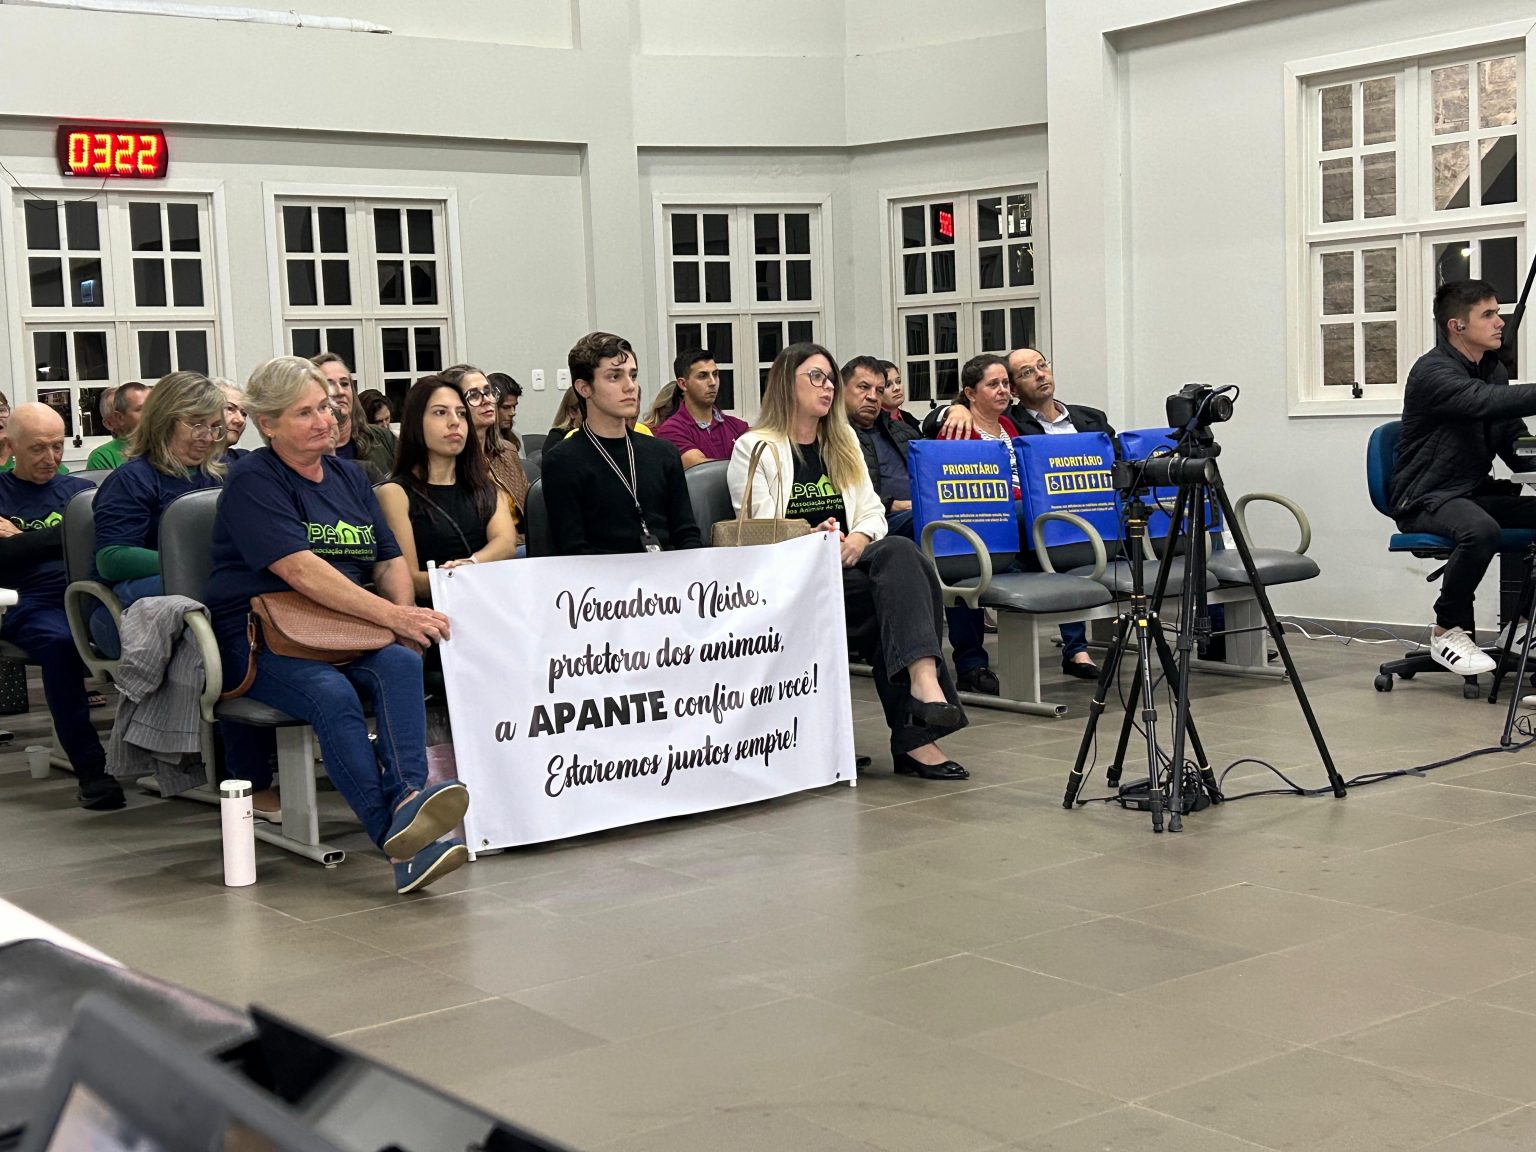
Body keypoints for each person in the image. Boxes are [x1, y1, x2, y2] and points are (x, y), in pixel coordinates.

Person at [204, 356, 470, 893]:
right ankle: (400, 842)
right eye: (305, 413)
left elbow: (389, 561)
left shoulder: (351, 476)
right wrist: (393, 615)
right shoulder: (253, 480)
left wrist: (402, 627)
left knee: (400, 664)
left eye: (325, 407)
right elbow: (300, 571)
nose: (325, 420)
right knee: (332, 695)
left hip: (346, 626)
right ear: (267, 424)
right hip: (262, 636)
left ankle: (408, 800)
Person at [728, 342, 970, 781]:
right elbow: (760, 525)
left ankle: (923, 685)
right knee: (895, 598)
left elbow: (873, 512)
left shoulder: (842, 444)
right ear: (786, 384)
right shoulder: (755, 447)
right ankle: (917, 733)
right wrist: (811, 536)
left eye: (829, 380)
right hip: (797, 576)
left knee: (900, 555)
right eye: (815, 377)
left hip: (851, 566)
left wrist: (858, 537)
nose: (827, 388)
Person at [927, 347, 1108, 680]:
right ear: (970, 393)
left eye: (1005, 384)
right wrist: (955, 408)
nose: (1003, 391)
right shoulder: (957, 429)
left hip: (1025, 520)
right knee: (1046, 530)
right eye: (993, 385)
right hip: (981, 520)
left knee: (1060, 533)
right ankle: (972, 664)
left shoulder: (1010, 425)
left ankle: (1076, 648)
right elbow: (950, 488)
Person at [1394, 279, 1536, 676]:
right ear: (1457, 326)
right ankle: (1447, 629)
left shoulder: (1493, 370)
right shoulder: (1432, 372)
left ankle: (1522, 628)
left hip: (1472, 492)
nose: (1500, 322)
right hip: (1425, 497)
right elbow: (1482, 402)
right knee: (1480, 530)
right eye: (1488, 315)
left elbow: (1511, 436)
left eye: (1498, 313)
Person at [0, 403, 123, 809]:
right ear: (10, 446)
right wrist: (63, 536)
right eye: (37, 448)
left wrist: (22, 540)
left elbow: (104, 541)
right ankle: (91, 769)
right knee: (60, 644)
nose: (51, 458)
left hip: (90, 594)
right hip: (29, 603)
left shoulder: (79, 492)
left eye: (57, 446)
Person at [89, 372, 227, 659]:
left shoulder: (221, 475)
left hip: (195, 590)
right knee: (216, 587)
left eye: (215, 427)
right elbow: (111, 559)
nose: (207, 437)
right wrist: (196, 565)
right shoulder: (132, 479)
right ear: (164, 421)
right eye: (197, 425)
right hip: (124, 608)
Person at [541, 331, 702, 555]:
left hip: (669, 571)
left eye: (633, 375)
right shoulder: (563, 461)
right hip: (602, 574)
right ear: (584, 388)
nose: (630, 386)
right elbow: (574, 550)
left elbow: (687, 534)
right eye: (614, 377)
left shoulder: (663, 453)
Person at [376, 374, 518, 605]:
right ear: (416, 422)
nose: (455, 422)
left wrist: (470, 564)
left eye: (461, 414)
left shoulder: (486, 488)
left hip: (488, 607)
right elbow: (410, 580)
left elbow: (506, 543)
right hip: (433, 613)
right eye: (440, 412)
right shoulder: (395, 494)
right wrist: (456, 578)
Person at [842, 355, 919, 539]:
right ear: (841, 389)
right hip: (876, 521)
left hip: (917, 511)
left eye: (879, 391)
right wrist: (891, 504)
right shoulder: (835, 437)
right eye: (863, 387)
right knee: (927, 522)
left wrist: (955, 409)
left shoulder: (903, 430)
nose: (872, 397)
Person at [443, 364, 529, 525]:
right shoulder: (445, 462)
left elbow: (530, 515)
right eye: (474, 395)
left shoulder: (507, 451)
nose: (487, 400)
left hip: (523, 538)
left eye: (488, 392)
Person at [655, 349, 749, 468]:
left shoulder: (736, 426)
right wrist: (746, 467)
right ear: (683, 384)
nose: (713, 382)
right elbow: (704, 470)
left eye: (715, 374)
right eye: (703, 376)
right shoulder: (671, 430)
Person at [311, 353, 398, 482]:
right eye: (329, 385)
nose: (340, 391)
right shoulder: (308, 452)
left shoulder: (381, 437)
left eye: (345, 383)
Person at [85, 381, 148, 471]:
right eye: (141, 409)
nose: (149, 413)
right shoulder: (102, 457)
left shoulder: (161, 447)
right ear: (109, 424)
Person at [880, 360, 921, 432]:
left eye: (898, 382)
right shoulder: (873, 424)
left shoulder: (908, 418)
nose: (897, 388)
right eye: (888, 385)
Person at [216, 379, 250, 460]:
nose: (241, 420)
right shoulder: (191, 462)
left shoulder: (248, 461)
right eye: (230, 408)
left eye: (244, 414)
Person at [487, 373, 522, 452]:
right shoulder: (478, 441)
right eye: (505, 407)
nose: (513, 413)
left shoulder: (516, 436)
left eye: (514, 406)